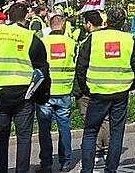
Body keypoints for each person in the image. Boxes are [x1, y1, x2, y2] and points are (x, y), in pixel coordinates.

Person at [0, 2, 50, 173]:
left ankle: (2, 170)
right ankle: (22, 170)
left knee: (1, 135)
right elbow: (42, 69)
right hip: (24, 94)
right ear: (26, 16)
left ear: (8, 16)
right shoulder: (30, 37)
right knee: (24, 136)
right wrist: (41, 95)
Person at [77, 8, 135, 173]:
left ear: (106, 21)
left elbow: (81, 67)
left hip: (97, 93)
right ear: (123, 23)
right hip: (120, 94)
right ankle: (111, 169)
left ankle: (87, 170)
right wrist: (130, 85)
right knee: (116, 133)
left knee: (90, 132)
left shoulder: (93, 38)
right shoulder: (129, 39)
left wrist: (87, 88)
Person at [37, 15, 76, 172]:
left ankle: (46, 163)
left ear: (49, 25)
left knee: (44, 129)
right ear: (64, 25)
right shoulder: (71, 43)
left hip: (45, 92)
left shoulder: (42, 43)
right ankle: (66, 162)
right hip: (64, 91)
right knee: (64, 127)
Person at [75, 12, 111, 165]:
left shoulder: (89, 41)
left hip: (90, 87)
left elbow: (81, 67)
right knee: (106, 120)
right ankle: (106, 149)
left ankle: (96, 153)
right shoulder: (111, 38)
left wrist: (81, 88)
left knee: (90, 121)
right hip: (109, 86)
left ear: (89, 24)